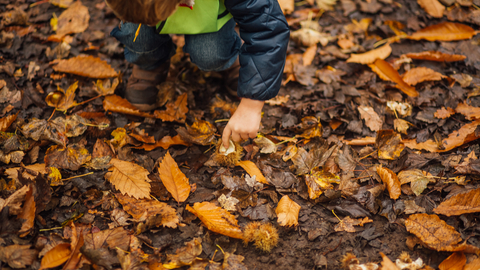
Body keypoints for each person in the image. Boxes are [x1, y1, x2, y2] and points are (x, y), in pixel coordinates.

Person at [106, 0, 290, 148]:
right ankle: (149, 62)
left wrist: (251, 105)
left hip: (206, 14)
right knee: (136, 32)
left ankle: (228, 56)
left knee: (210, 55)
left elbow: (267, 29)